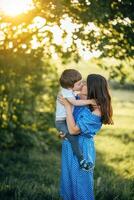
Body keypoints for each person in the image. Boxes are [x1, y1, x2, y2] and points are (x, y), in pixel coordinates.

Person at [59, 74, 113, 200]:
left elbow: (74, 130)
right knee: (68, 183)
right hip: (68, 146)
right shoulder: (77, 100)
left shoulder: (96, 111)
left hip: (82, 149)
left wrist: (67, 107)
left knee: (81, 185)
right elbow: (69, 125)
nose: (80, 85)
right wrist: (63, 132)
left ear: (93, 88)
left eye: (85, 83)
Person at [55, 69, 96, 171]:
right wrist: (90, 101)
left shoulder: (70, 92)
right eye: (79, 85)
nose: (80, 96)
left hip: (84, 145)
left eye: (86, 96)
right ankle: (82, 161)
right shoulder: (68, 94)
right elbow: (76, 103)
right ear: (71, 86)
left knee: (80, 181)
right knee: (68, 176)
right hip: (62, 122)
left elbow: (77, 129)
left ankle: (82, 161)